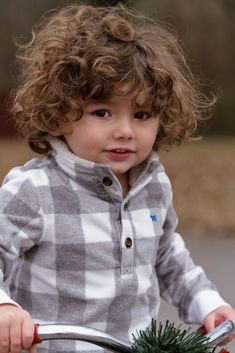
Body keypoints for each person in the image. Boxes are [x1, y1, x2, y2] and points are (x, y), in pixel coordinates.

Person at [0, 3, 234, 353]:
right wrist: (5, 309)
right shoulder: (34, 190)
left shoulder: (153, 185)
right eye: (102, 112)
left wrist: (206, 303)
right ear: (62, 114)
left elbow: (167, 254)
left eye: (142, 114)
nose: (125, 131)